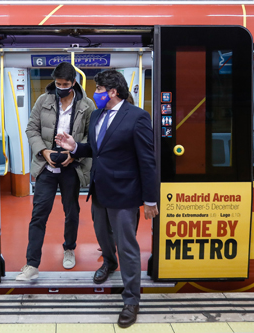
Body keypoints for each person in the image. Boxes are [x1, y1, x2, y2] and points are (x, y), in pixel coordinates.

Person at [55, 69, 159, 328]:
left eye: (99, 90)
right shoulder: (97, 115)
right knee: (102, 235)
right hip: (99, 190)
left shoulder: (137, 117)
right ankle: (109, 264)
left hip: (125, 194)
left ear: (113, 92)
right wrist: (75, 147)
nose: (95, 93)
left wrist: (150, 200)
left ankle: (132, 300)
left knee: (128, 247)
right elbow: (97, 150)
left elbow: (147, 161)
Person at [16, 62, 95, 281]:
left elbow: (92, 136)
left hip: (73, 166)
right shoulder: (43, 101)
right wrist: (43, 151)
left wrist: (75, 154)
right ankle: (31, 264)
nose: (61, 87)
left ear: (73, 83)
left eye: (65, 84)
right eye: (58, 83)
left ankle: (69, 248)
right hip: (46, 165)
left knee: (71, 212)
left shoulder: (87, 105)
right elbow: (31, 128)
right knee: (39, 214)